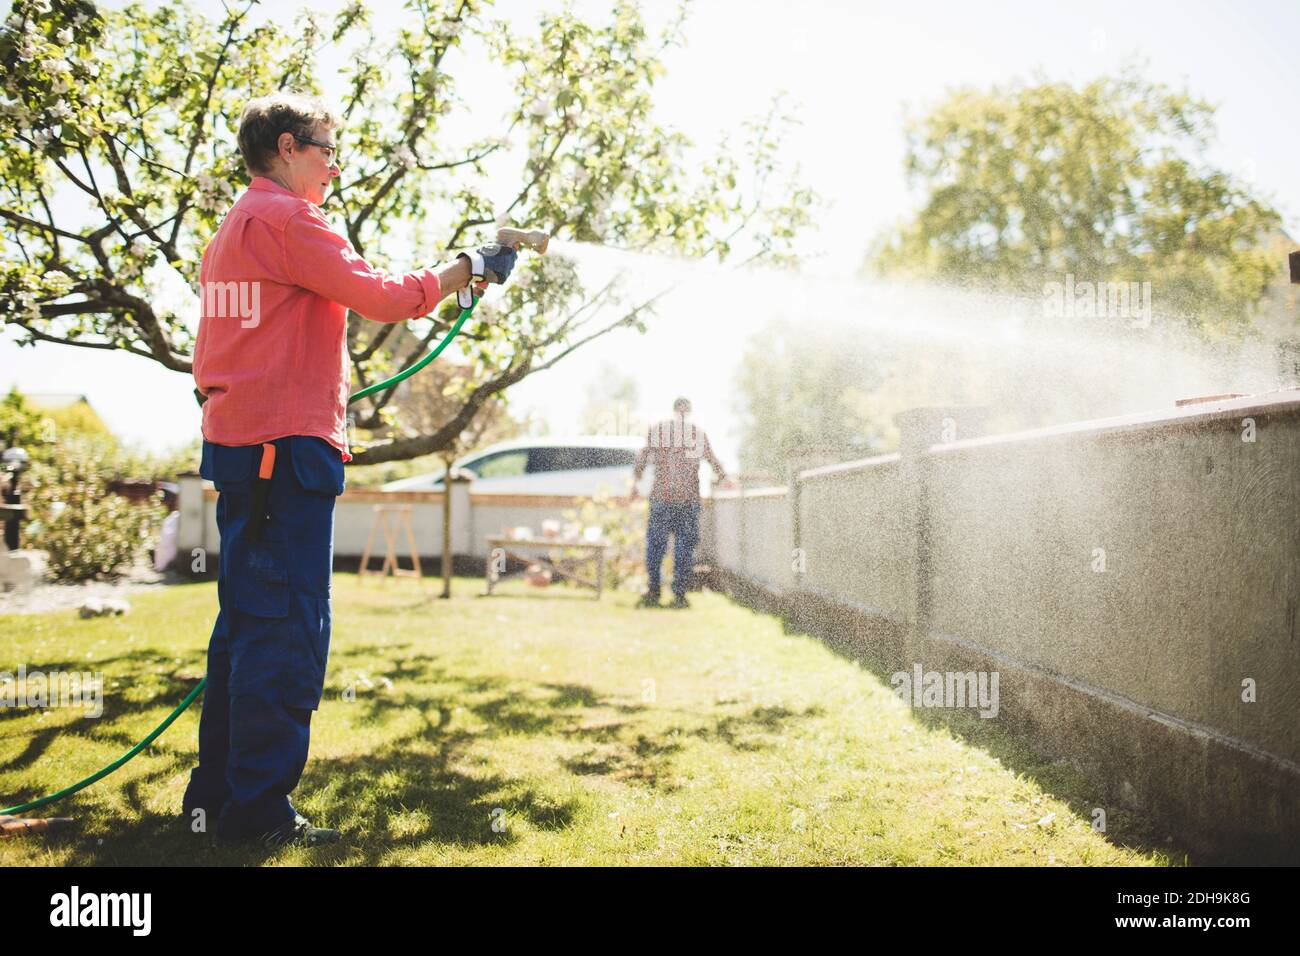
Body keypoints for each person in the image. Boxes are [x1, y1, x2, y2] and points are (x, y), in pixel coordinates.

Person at [181, 92, 517, 847]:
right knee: (285, 631)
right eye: (329, 149)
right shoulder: (290, 220)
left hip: (245, 454)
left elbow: (222, 354)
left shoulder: (230, 231)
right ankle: (259, 816)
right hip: (283, 460)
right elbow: (382, 296)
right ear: (291, 146)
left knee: (243, 628)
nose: (336, 165)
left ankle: (216, 801)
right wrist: (470, 267)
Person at [628, 397, 730, 609]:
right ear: (688, 411)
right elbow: (712, 460)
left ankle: (656, 591)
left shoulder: (660, 430)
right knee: (680, 547)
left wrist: (635, 483)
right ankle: (677, 594)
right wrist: (724, 478)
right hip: (684, 499)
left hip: (666, 499)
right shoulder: (696, 433)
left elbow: (642, 459)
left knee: (659, 545)